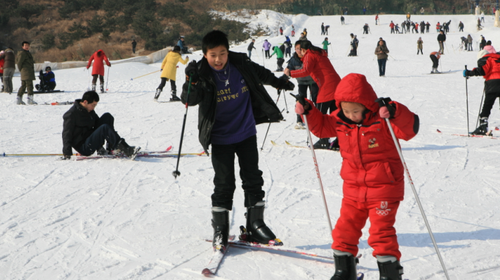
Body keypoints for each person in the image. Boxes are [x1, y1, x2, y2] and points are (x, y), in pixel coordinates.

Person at [294, 73, 419, 280]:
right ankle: (344, 271)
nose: (350, 115)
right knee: (344, 231)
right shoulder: (341, 121)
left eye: (355, 111)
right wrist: (309, 111)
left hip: (383, 188)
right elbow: (323, 127)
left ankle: (390, 275)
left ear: (367, 106)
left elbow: (409, 129)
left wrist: (396, 111)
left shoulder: (383, 120)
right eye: (346, 110)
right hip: (353, 189)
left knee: (381, 234)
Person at [180, 30, 295, 253]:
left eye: (222, 53)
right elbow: (189, 100)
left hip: (245, 132)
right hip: (220, 137)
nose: (218, 59)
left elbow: (260, 73)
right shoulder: (202, 73)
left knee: (253, 177)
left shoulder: (240, 63)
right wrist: (190, 81)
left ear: (228, 51)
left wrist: (278, 82)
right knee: (224, 182)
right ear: (205, 55)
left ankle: (255, 224)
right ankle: (220, 228)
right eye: (213, 55)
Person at [284, 40, 341, 150]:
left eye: (300, 49)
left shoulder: (310, 55)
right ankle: (340, 140)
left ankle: (324, 140)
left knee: (319, 114)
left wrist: (290, 73)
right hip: (336, 85)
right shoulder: (318, 53)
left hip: (326, 87)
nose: (299, 52)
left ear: (304, 49)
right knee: (335, 114)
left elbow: (305, 70)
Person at [62, 91, 138, 159]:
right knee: (104, 128)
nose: (94, 107)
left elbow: (98, 124)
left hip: (90, 138)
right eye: (93, 105)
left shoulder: (88, 110)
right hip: (84, 147)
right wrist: (67, 152)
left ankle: (112, 148)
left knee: (107, 117)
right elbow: (66, 133)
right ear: (85, 102)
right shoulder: (71, 114)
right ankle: (126, 150)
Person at [285, 41, 319, 130]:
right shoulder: (293, 59)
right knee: (300, 101)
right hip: (301, 83)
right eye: (297, 49)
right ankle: (299, 120)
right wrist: (287, 73)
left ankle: (318, 119)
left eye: (300, 49)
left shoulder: (309, 57)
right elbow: (289, 69)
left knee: (316, 99)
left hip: (313, 82)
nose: (299, 51)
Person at [464, 52, 500, 135]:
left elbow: (483, 70)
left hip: (492, 84)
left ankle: (483, 127)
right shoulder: (497, 58)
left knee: (487, 105)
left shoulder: (487, 59)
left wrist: (468, 73)